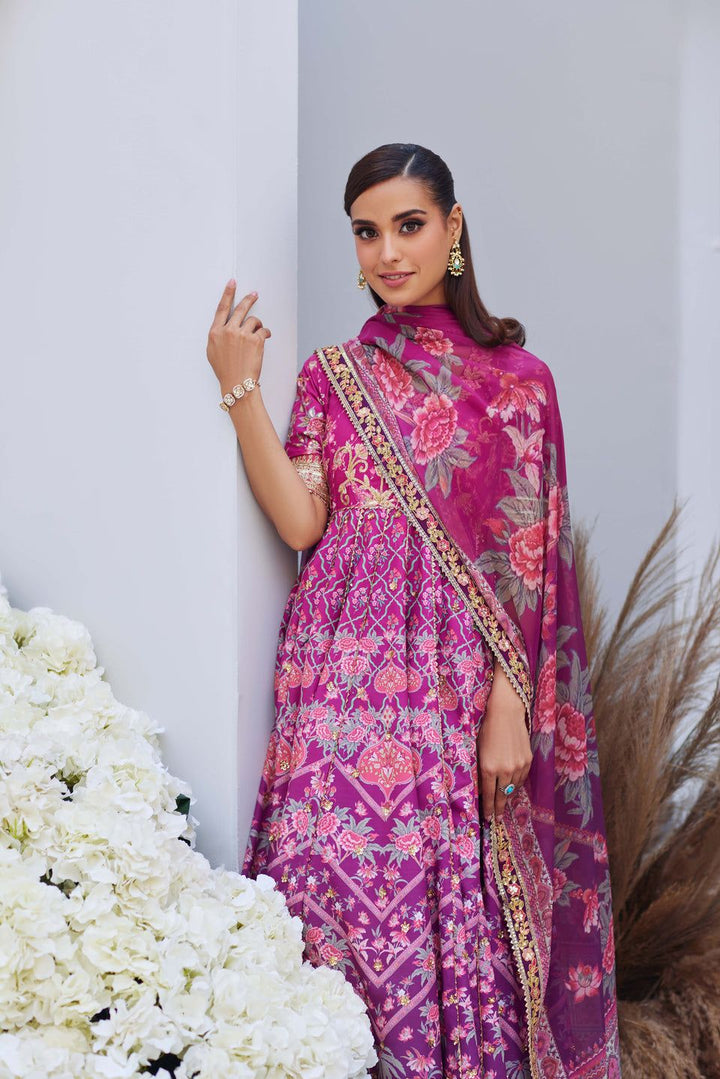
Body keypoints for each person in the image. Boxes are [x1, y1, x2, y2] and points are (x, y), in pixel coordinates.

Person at [206, 143, 621, 1079]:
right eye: (366, 232)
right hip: (335, 680)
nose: (388, 252)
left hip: (447, 688)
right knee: (324, 899)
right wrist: (240, 393)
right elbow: (303, 515)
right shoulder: (333, 375)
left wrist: (508, 708)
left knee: (439, 917)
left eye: (409, 225)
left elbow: (534, 570)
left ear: (454, 227)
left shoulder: (521, 381)